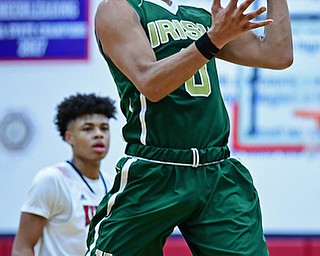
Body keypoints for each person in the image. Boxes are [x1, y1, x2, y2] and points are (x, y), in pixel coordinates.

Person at [86, 0, 293, 255]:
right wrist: (212, 39)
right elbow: (151, 84)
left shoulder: (198, 16)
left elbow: (277, 55)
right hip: (155, 169)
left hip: (216, 170)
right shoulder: (118, 9)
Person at [12, 93, 117, 256]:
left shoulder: (114, 186)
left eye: (104, 128)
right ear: (69, 137)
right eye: (88, 128)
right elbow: (22, 248)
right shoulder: (51, 180)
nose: (99, 134)